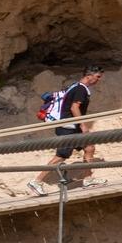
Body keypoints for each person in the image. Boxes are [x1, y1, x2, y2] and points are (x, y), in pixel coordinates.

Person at [27, 67, 103, 195]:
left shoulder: (75, 86)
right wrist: (83, 125)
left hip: (71, 127)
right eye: (98, 77)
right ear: (89, 76)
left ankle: (88, 178)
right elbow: (74, 107)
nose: (98, 80)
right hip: (68, 128)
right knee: (61, 156)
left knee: (89, 147)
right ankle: (36, 181)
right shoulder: (81, 89)